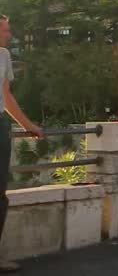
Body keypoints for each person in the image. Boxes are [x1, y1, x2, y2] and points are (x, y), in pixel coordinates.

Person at [0, 15, 44, 273]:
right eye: (5, 30)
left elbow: (5, 96)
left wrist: (29, 126)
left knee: (0, 195)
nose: (9, 34)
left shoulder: (4, 55)